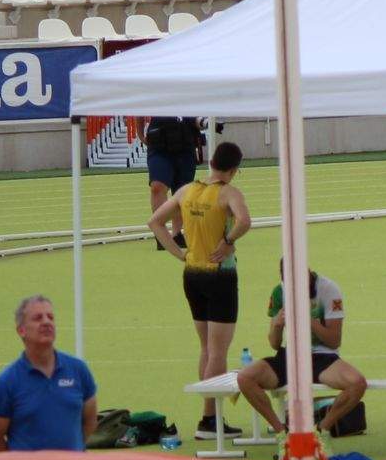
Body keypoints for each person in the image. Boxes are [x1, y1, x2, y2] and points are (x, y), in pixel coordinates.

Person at [149, 139, 251, 435]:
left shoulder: (186, 190)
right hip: (220, 274)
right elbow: (245, 221)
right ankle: (210, 418)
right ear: (233, 170)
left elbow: (155, 222)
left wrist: (178, 252)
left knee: (206, 347)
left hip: (192, 272)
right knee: (219, 351)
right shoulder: (228, 193)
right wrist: (228, 241)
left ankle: (208, 413)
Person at [236, 265, 367, 439]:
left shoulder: (328, 289)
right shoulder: (279, 292)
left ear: (307, 273)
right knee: (245, 378)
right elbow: (274, 345)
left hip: (322, 357)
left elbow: (334, 340)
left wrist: (309, 320)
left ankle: (321, 430)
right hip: (289, 355)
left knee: (357, 383)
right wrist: (277, 325)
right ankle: (282, 431)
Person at [0, 295, 98, 452]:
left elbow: (90, 421)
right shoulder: (6, 383)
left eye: (50, 317)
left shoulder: (78, 370)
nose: (46, 322)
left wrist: (72, 452)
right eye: (38, 318)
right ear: (21, 330)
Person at [141, 116, 202, 243]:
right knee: (157, 186)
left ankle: (177, 233)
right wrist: (140, 134)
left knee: (182, 190)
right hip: (159, 143)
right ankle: (160, 232)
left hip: (185, 141)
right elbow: (139, 109)